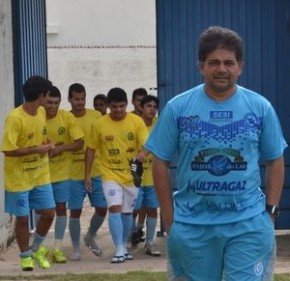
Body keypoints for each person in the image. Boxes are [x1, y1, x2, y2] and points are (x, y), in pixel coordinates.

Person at [144, 26, 287, 281]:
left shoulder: (260, 107)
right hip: (192, 226)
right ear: (201, 65)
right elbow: (160, 162)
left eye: (229, 62)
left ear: (240, 66)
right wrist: (169, 219)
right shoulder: (178, 108)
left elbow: (275, 160)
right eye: (214, 62)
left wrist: (270, 211)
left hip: (249, 225)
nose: (222, 69)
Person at [85, 87, 149, 264]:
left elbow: (147, 144)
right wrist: (87, 175)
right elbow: (90, 149)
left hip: (131, 175)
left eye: (121, 106)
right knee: (114, 208)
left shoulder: (136, 122)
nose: (118, 110)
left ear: (126, 104)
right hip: (109, 174)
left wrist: (143, 153)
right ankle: (119, 248)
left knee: (127, 213)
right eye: (114, 106)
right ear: (108, 106)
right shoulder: (99, 124)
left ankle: (123, 246)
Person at [1, 75, 55, 271]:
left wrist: (49, 143)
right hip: (19, 178)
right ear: (41, 95)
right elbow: (8, 150)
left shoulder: (41, 112)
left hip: (41, 175)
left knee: (49, 213)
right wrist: (35, 150)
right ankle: (25, 257)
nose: (48, 100)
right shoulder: (15, 118)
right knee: (23, 218)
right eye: (47, 96)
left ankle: (35, 248)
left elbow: (41, 134)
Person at [43, 85, 84, 263]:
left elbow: (79, 143)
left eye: (56, 103)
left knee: (61, 209)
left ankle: (58, 249)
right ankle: (41, 246)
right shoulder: (36, 117)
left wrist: (59, 149)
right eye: (50, 102)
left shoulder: (66, 117)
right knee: (43, 211)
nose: (53, 106)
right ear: (44, 101)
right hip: (40, 174)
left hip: (61, 174)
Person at [67, 83, 107, 260]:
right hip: (73, 174)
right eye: (76, 99)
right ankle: (76, 248)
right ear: (69, 99)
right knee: (75, 211)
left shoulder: (96, 115)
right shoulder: (65, 118)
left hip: (96, 171)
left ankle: (90, 235)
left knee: (102, 208)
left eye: (82, 98)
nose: (80, 102)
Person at [131, 95, 161, 256]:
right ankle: (131, 234)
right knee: (133, 209)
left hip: (153, 174)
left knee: (152, 208)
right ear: (141, 107)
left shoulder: (159, 124)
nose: (152, 109)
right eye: (148, 106)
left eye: (154, 106)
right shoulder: (134, 123)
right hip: (136, 175)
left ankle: (149, 243)